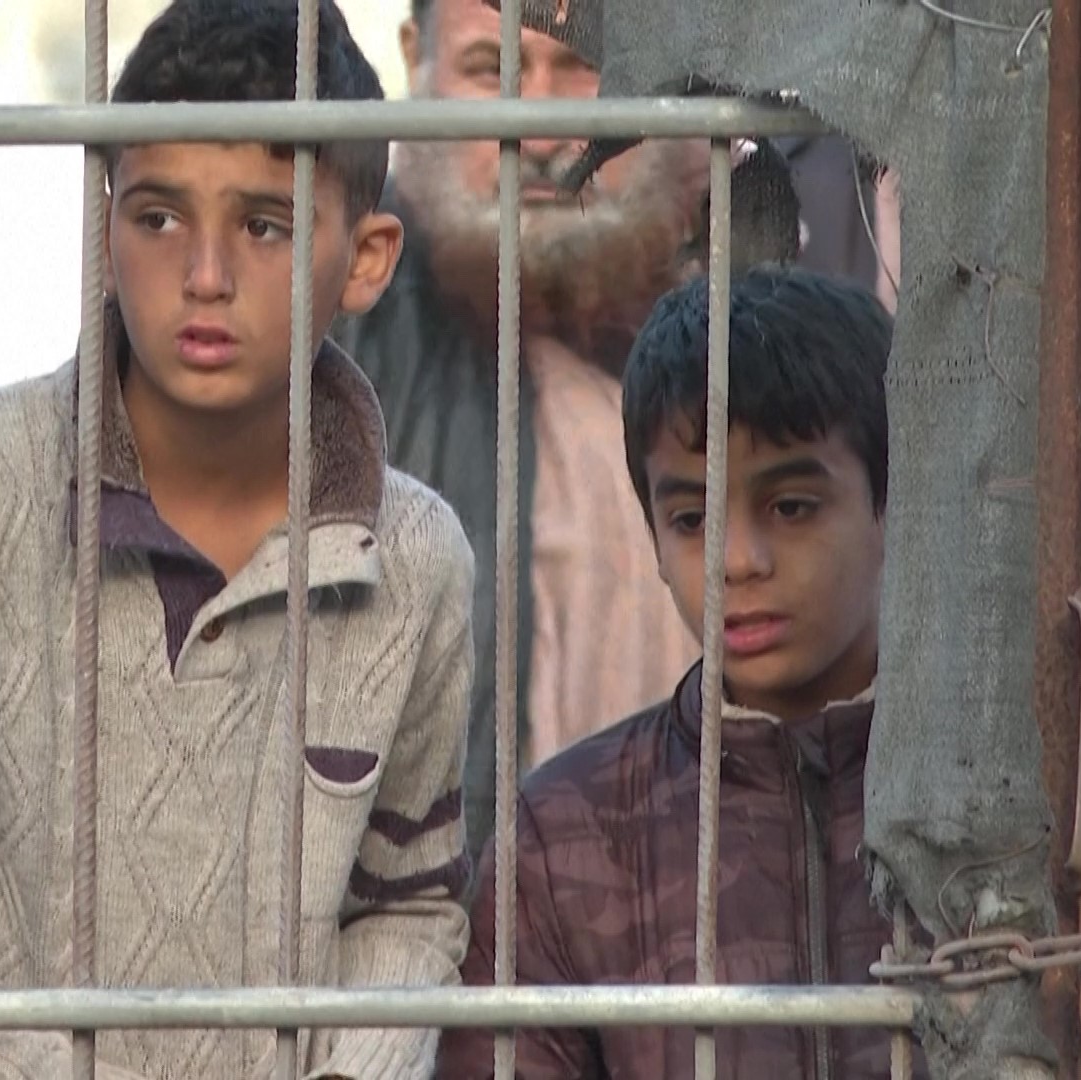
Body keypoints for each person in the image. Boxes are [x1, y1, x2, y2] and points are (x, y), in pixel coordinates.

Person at [0, 3, 473, 1076]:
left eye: (265, 226)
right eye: (160, 217)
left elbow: (407, 910)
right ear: (104, 222)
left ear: (365, 258)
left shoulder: (416, 560)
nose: (205, 273)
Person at [335, 0, 897, 859]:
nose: (543, 133)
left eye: (587, 68)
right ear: (417, 64)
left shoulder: (810, 261)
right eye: (492, 72)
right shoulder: (337, 322)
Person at [437, 266, 911, 1079]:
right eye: (692, 519)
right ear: (654, 539)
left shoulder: (986, 798)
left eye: (791, 507)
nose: (738, 561)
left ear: (891, 503)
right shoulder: (567, 835)